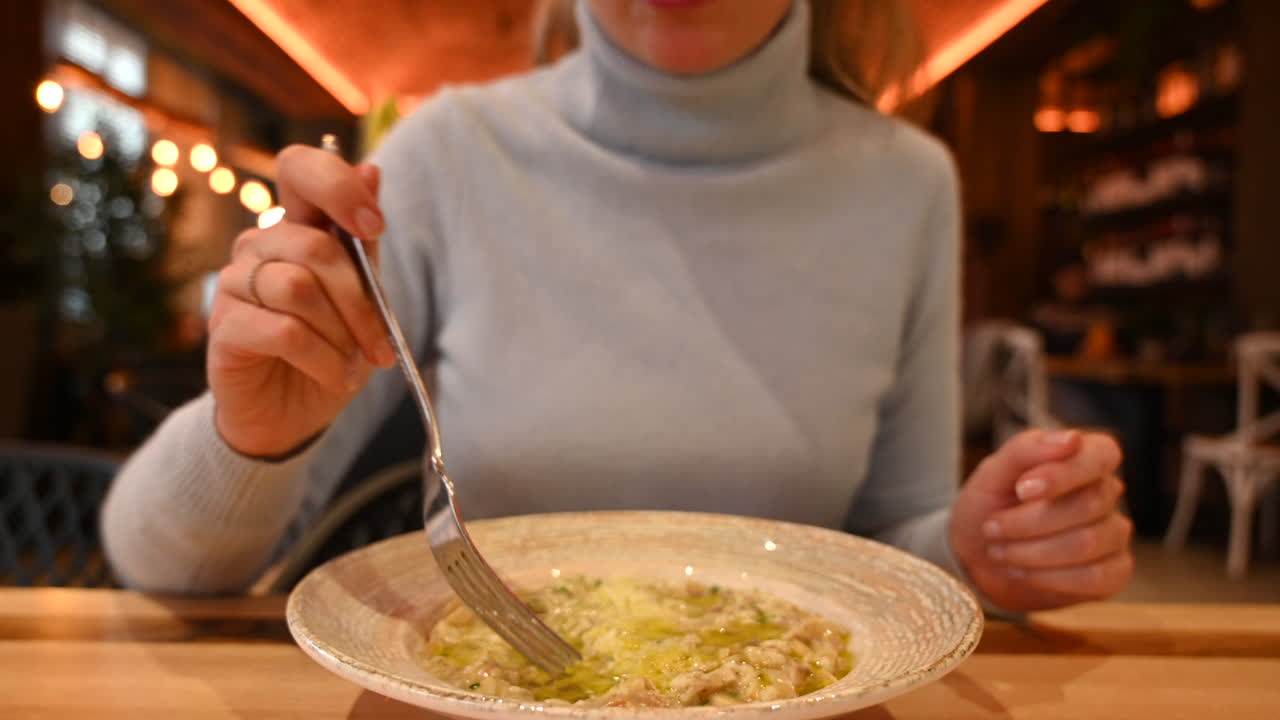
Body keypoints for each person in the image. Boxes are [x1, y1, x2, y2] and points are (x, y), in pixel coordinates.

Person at [102, 0, 1132, 612]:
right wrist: (250, 439)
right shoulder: (446, 156)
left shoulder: (907, 183)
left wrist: (974, 548)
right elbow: (154, 568)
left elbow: (886, 540)